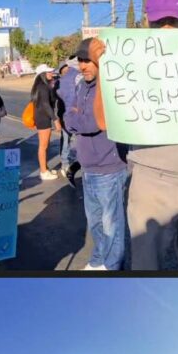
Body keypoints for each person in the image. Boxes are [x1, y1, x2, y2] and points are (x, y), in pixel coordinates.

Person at [90, 0, 178, 270]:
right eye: (160, 22)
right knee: (147, 266)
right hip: (152, 181)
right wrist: (102, 69)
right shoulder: (128, 60)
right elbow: (103, 121)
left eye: (174, 21)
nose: (167, 28)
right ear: (146, 22)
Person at [63, 38, 130, 270]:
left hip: (110, 169)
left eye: (88, 61)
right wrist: (76, 118)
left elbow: (95, 122)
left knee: (112, 225)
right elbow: (67, 117)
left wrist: (78, 119)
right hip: (88, 168)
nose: (83, 66)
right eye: (81, 61)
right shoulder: (81, 86)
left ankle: (113, 266)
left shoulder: (111, 88)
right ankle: (99, 260)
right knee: (95, 223)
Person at [31, 64, 61, 181]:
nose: (51, 73)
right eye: (48, 72)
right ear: (42, 74)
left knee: (46, 145)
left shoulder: (42, 85)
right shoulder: (42, 87)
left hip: (42, 116)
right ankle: (43, 171)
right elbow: (45, 105)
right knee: (43, 146)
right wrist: (55, 119)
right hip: (43, 118)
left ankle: (45, 168)